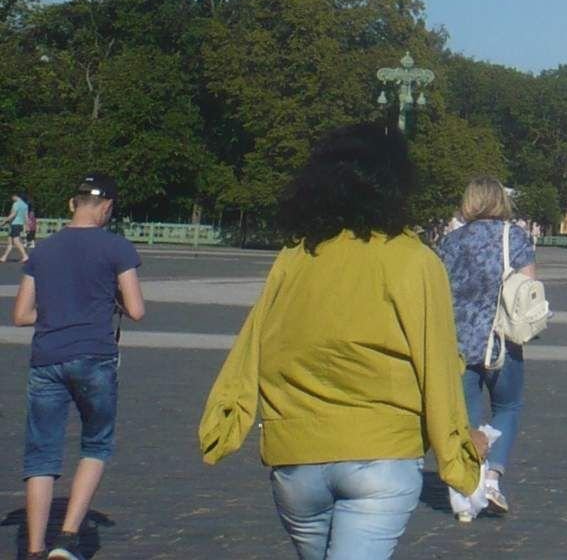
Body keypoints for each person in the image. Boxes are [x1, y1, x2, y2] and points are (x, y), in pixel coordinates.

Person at [199, 123, 488, 559]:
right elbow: (439, 367)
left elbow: (252, 344)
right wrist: (458, 453)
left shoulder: (295, 256)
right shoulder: (413, 260)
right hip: (380, 455)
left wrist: (226, 419)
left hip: (295, 458)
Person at [15, 172, 144, 560]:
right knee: (96, 444)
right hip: (95, 356)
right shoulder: (117, 248)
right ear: (106, 207)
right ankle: (68, 538)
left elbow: (21, 315)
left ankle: (35, 549)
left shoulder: (44, 251)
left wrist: (58, 310)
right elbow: (136, 310)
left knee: (41, 456)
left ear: (73, 204)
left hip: (47, 356)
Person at [434, 178, 536, 523]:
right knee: (507, 405)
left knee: (468, 418)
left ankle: (469, 487)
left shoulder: (448, 243)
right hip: (503, 341)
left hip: (459, 344)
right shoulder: (516, 238)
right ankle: (492, 481)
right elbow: (527, 290)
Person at [5, 189, 30, 264]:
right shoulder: (25, 205)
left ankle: (25, 256)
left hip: (15, 224)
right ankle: (4, 257)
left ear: (16, 196)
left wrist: (4, 221)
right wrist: (27, 226)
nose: (12, 198)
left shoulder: (16, 204)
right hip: (20, 224)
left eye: (12, 197)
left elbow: (13, 214)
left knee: (16, 241)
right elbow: (26, 217)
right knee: (11, 240)